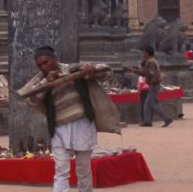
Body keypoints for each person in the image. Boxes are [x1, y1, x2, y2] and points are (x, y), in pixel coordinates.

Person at [21, 46, 110, 192]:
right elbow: (32, 100)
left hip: (82, 126)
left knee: (83, 170)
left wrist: (91, 68)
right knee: (61, 171)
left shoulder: (73, 69)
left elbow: (106, 71)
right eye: (40, 65)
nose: (44, 67)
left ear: (54, 59)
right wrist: (47, 82)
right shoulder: (40, 81)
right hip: (59, 130)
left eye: (46, 62)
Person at [126, 46, 173, 128]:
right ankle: (147, 121)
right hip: (154, 85)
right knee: (147, 104)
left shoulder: (150, 62)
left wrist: (152, 82)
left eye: (144, 52)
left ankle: (167, 118)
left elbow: (151, 73)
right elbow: (145, 73)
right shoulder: (151, 61)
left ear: (147, 53)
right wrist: (134, 70)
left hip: (153, 85)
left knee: (154, 104)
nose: (143, 54)